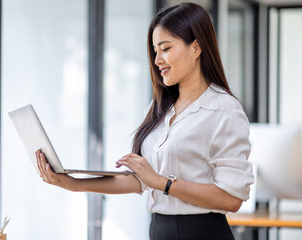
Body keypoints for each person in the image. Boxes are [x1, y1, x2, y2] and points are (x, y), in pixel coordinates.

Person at [35, 2, 254, 240]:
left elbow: (231, 199)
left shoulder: (224, 109)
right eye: (154, 50)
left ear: (197, 47)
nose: (157, 59)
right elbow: (140, 182)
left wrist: (162, 183)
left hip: (202, 232)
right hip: (159, 230)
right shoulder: (158, 107)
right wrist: (72, 184)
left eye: (166, 48)